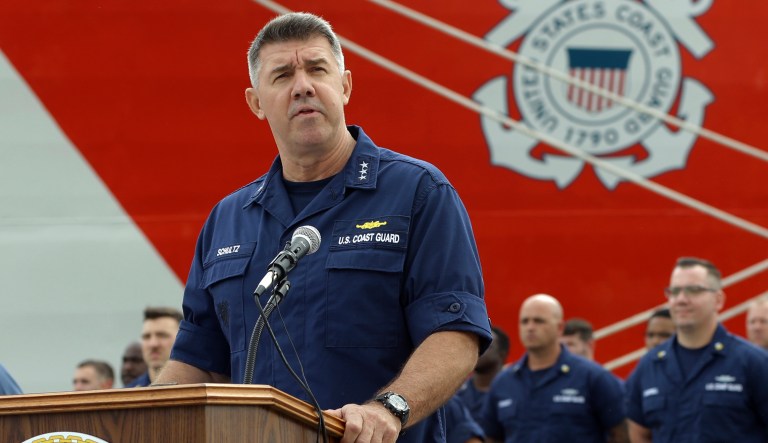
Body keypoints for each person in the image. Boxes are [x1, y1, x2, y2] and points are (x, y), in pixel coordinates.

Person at [154, 12, 492, 443]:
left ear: (345, 85)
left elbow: (455, 334)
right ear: (256, 102)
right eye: (282, 75)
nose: (303, 86)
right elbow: (198, 362)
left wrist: (388, 409)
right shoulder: (227, 219)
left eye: (317, 69)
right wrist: (138, 416)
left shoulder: (418, 193)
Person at [626, 257, 768, 442]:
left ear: (718, 300)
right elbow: (638, 432)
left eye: (694, 290)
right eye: (674, 291)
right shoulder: (650, 365)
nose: (681, 300)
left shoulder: (753, 363)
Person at [480, 294, 628, 443]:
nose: (530, 327)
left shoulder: (593, 377)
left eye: (539, 321)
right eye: (525, 321)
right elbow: (492, 437)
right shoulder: (503, 383)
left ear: (560, 328)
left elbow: (621, 434)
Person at [456, 325, 510, 422]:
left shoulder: (515, 391)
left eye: (487, 346)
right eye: (475, 345)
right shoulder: (456, 394)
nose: (478, 350)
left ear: (501, 354)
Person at [127, 306, 182, 387]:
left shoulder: (199, 388)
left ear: (181, 339)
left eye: (162, 335)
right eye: (147, 336)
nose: (153, 344)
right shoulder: (129, 394)